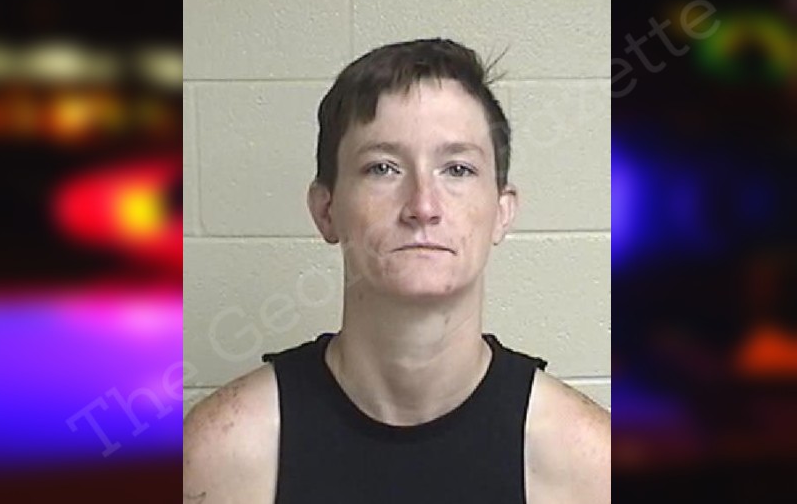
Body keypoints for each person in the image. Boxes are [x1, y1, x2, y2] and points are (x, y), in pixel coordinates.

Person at [183, 38, 610, 504]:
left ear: (502, 211)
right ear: (326, 210)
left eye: (458, 169)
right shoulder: (223, 451)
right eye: (383, 168)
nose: (423, 206)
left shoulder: (589, 461)